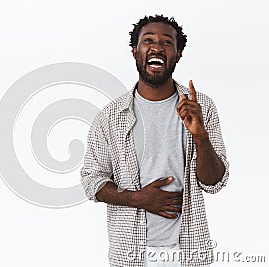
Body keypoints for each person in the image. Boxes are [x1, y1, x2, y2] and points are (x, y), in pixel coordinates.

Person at [80, 15, 229, 267]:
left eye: (167, 42)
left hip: (188, 251)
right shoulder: (110, 116)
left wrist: (200, 136)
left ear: (178, 54)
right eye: (148, 40)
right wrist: (136, 199)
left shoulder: (200, 107)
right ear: (135, 51)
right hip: (130, 252)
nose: (157, 47)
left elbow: (214, 183)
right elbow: (91, 180)